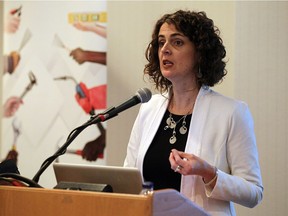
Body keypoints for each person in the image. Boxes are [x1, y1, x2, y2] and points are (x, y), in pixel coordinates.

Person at [124, 10, 263, 215]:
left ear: (200, 52)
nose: (165, 50)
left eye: (177, 42)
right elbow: (128, 178)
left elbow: (254, 192)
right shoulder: (148, 107)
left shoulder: (231, 112)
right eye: (161, 42)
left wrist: (209, 173)